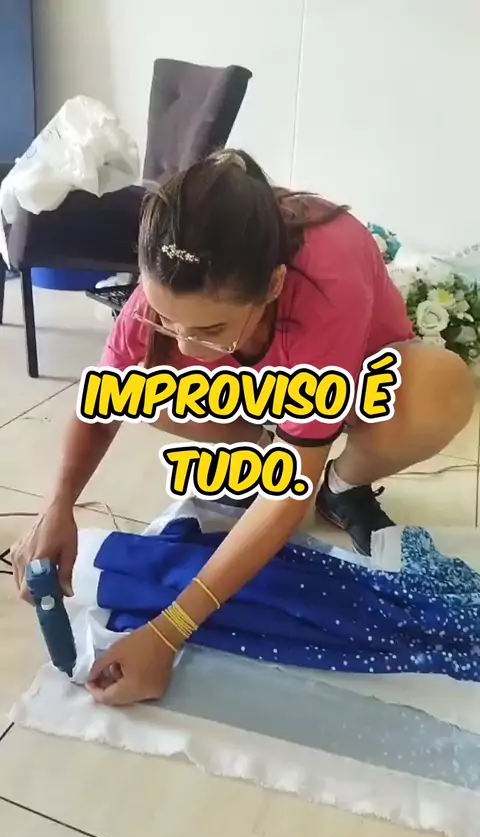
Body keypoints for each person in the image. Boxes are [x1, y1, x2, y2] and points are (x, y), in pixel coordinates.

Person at [11, 149, 474, 707]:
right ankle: (264, 440)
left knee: (439, 389)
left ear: (274, 285)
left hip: (358, 385)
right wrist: (58, 505)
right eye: (166, 318)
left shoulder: (328, 276)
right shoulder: (173, 280)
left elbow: (288, 492)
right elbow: (101, 405)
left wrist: (169, 630)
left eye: (209, 327)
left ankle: (342, 485)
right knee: (146, 387)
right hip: (266, 390)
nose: (185, 346)